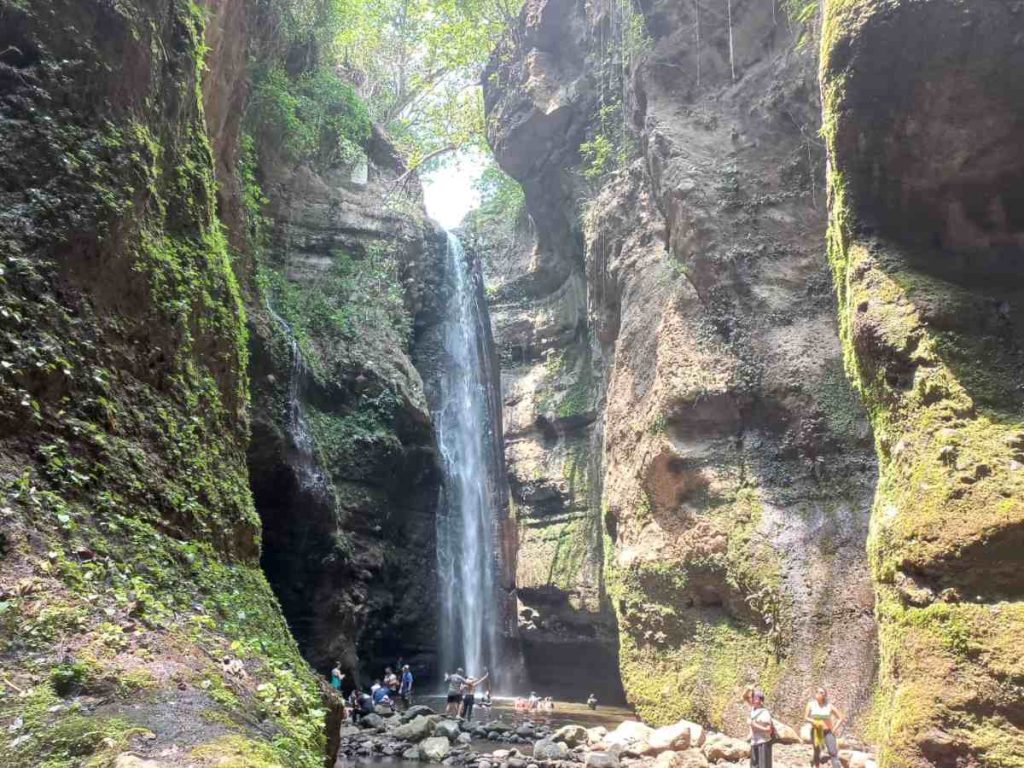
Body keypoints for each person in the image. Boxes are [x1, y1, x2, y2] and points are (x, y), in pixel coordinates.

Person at [804, 687, 844, 768]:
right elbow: (805, 717)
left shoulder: (829, 706)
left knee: (833, 752)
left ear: (824, 695)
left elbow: (840, 717)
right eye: (817, 692)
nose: (818, 693)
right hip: (816, 731)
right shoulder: (811, 704)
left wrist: (834, 729)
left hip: (827, 732)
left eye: (821, 692)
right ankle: (817, 766)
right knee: (817, 751)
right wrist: (813, 721)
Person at [748, 689, 774, 768]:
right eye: (753, 697)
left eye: (755, 697)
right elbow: (744, 697)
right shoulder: (753, 711)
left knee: (763, 765)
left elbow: (769, 730)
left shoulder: (764, 713)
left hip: (763, 742)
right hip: (754, 742)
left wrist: (755, 725)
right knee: (754, 766)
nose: (753, 699)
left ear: (760, 700)